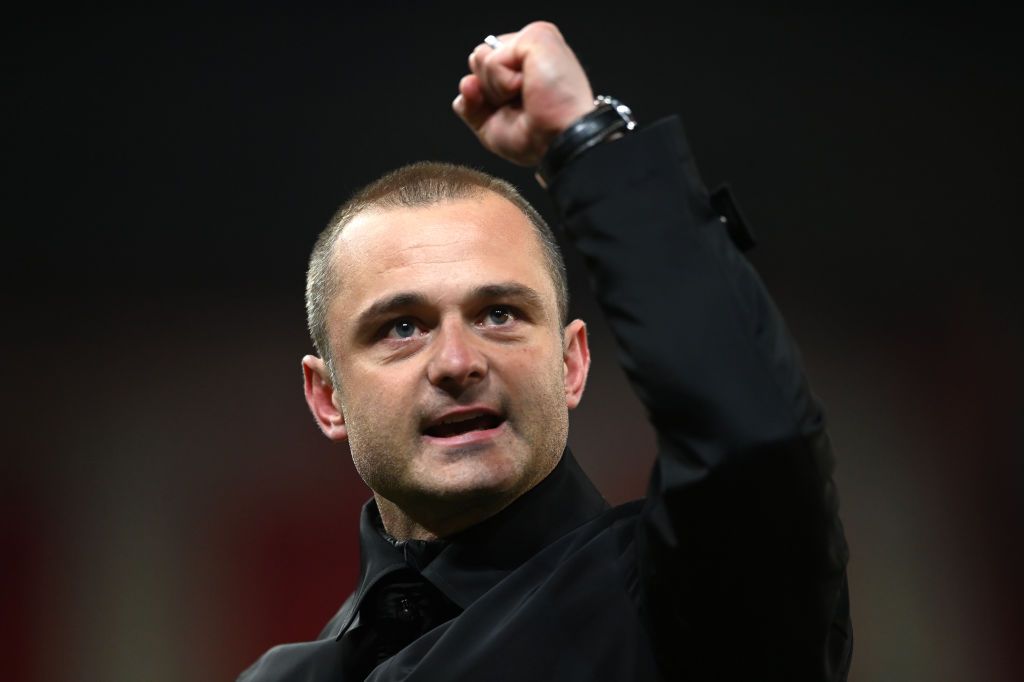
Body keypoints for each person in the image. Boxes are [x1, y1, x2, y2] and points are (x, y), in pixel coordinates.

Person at [239, 21, 852, 682]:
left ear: (573, 363)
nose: (456, 362)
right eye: (402, 328)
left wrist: (586, 144)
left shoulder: (682, 598)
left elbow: (753, 438)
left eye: (498, 314)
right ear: (327, 398)